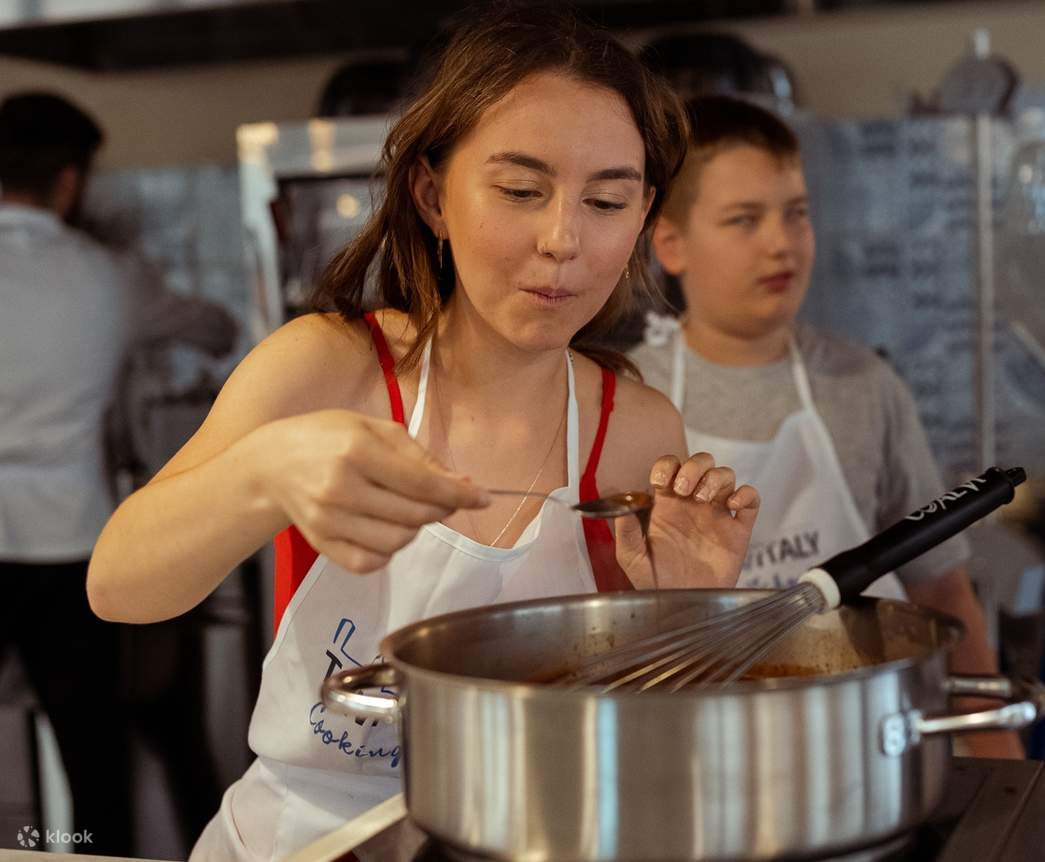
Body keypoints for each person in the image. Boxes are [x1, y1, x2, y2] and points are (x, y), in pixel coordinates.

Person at [87, 7, 760, 859]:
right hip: (304, 836)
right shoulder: (331, 367)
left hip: (526, 835)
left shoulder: (634, 425)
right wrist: (264, 472)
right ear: (433, 194)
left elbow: (639, 732)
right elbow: (119, 587)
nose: (564, 240)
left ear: (641, 216)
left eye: (606, 201)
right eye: (520, 190)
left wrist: (691, 618)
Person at [631, 94, 1024, 758]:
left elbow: (939, 584)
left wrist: (999, 761)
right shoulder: (631, 398)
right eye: (743, 220)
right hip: (703, 750)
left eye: (796, 214)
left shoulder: (863, 386)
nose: (779, 242)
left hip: (873, 741)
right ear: (670, 243)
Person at [0, 91, 237, 855]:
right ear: (69, 183)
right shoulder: (111, 278)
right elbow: (216, 328)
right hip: (73, 545)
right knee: (92, 750)